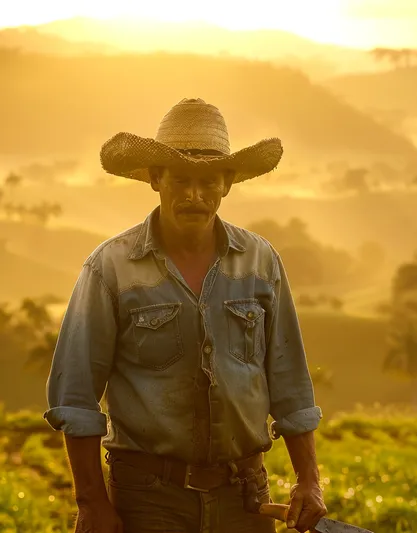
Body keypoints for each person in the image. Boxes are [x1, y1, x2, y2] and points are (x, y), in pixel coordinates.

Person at [43, 98, 327, 533]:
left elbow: (290, 383)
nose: (195, 195)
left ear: (227, 183)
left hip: (244, 496)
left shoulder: (259, 262)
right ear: (156, 179)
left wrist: (310, 481)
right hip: (148, 497)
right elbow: (76, 395)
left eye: (208, 181)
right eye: (181, 180)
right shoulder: (111, 268)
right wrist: (92, 503)